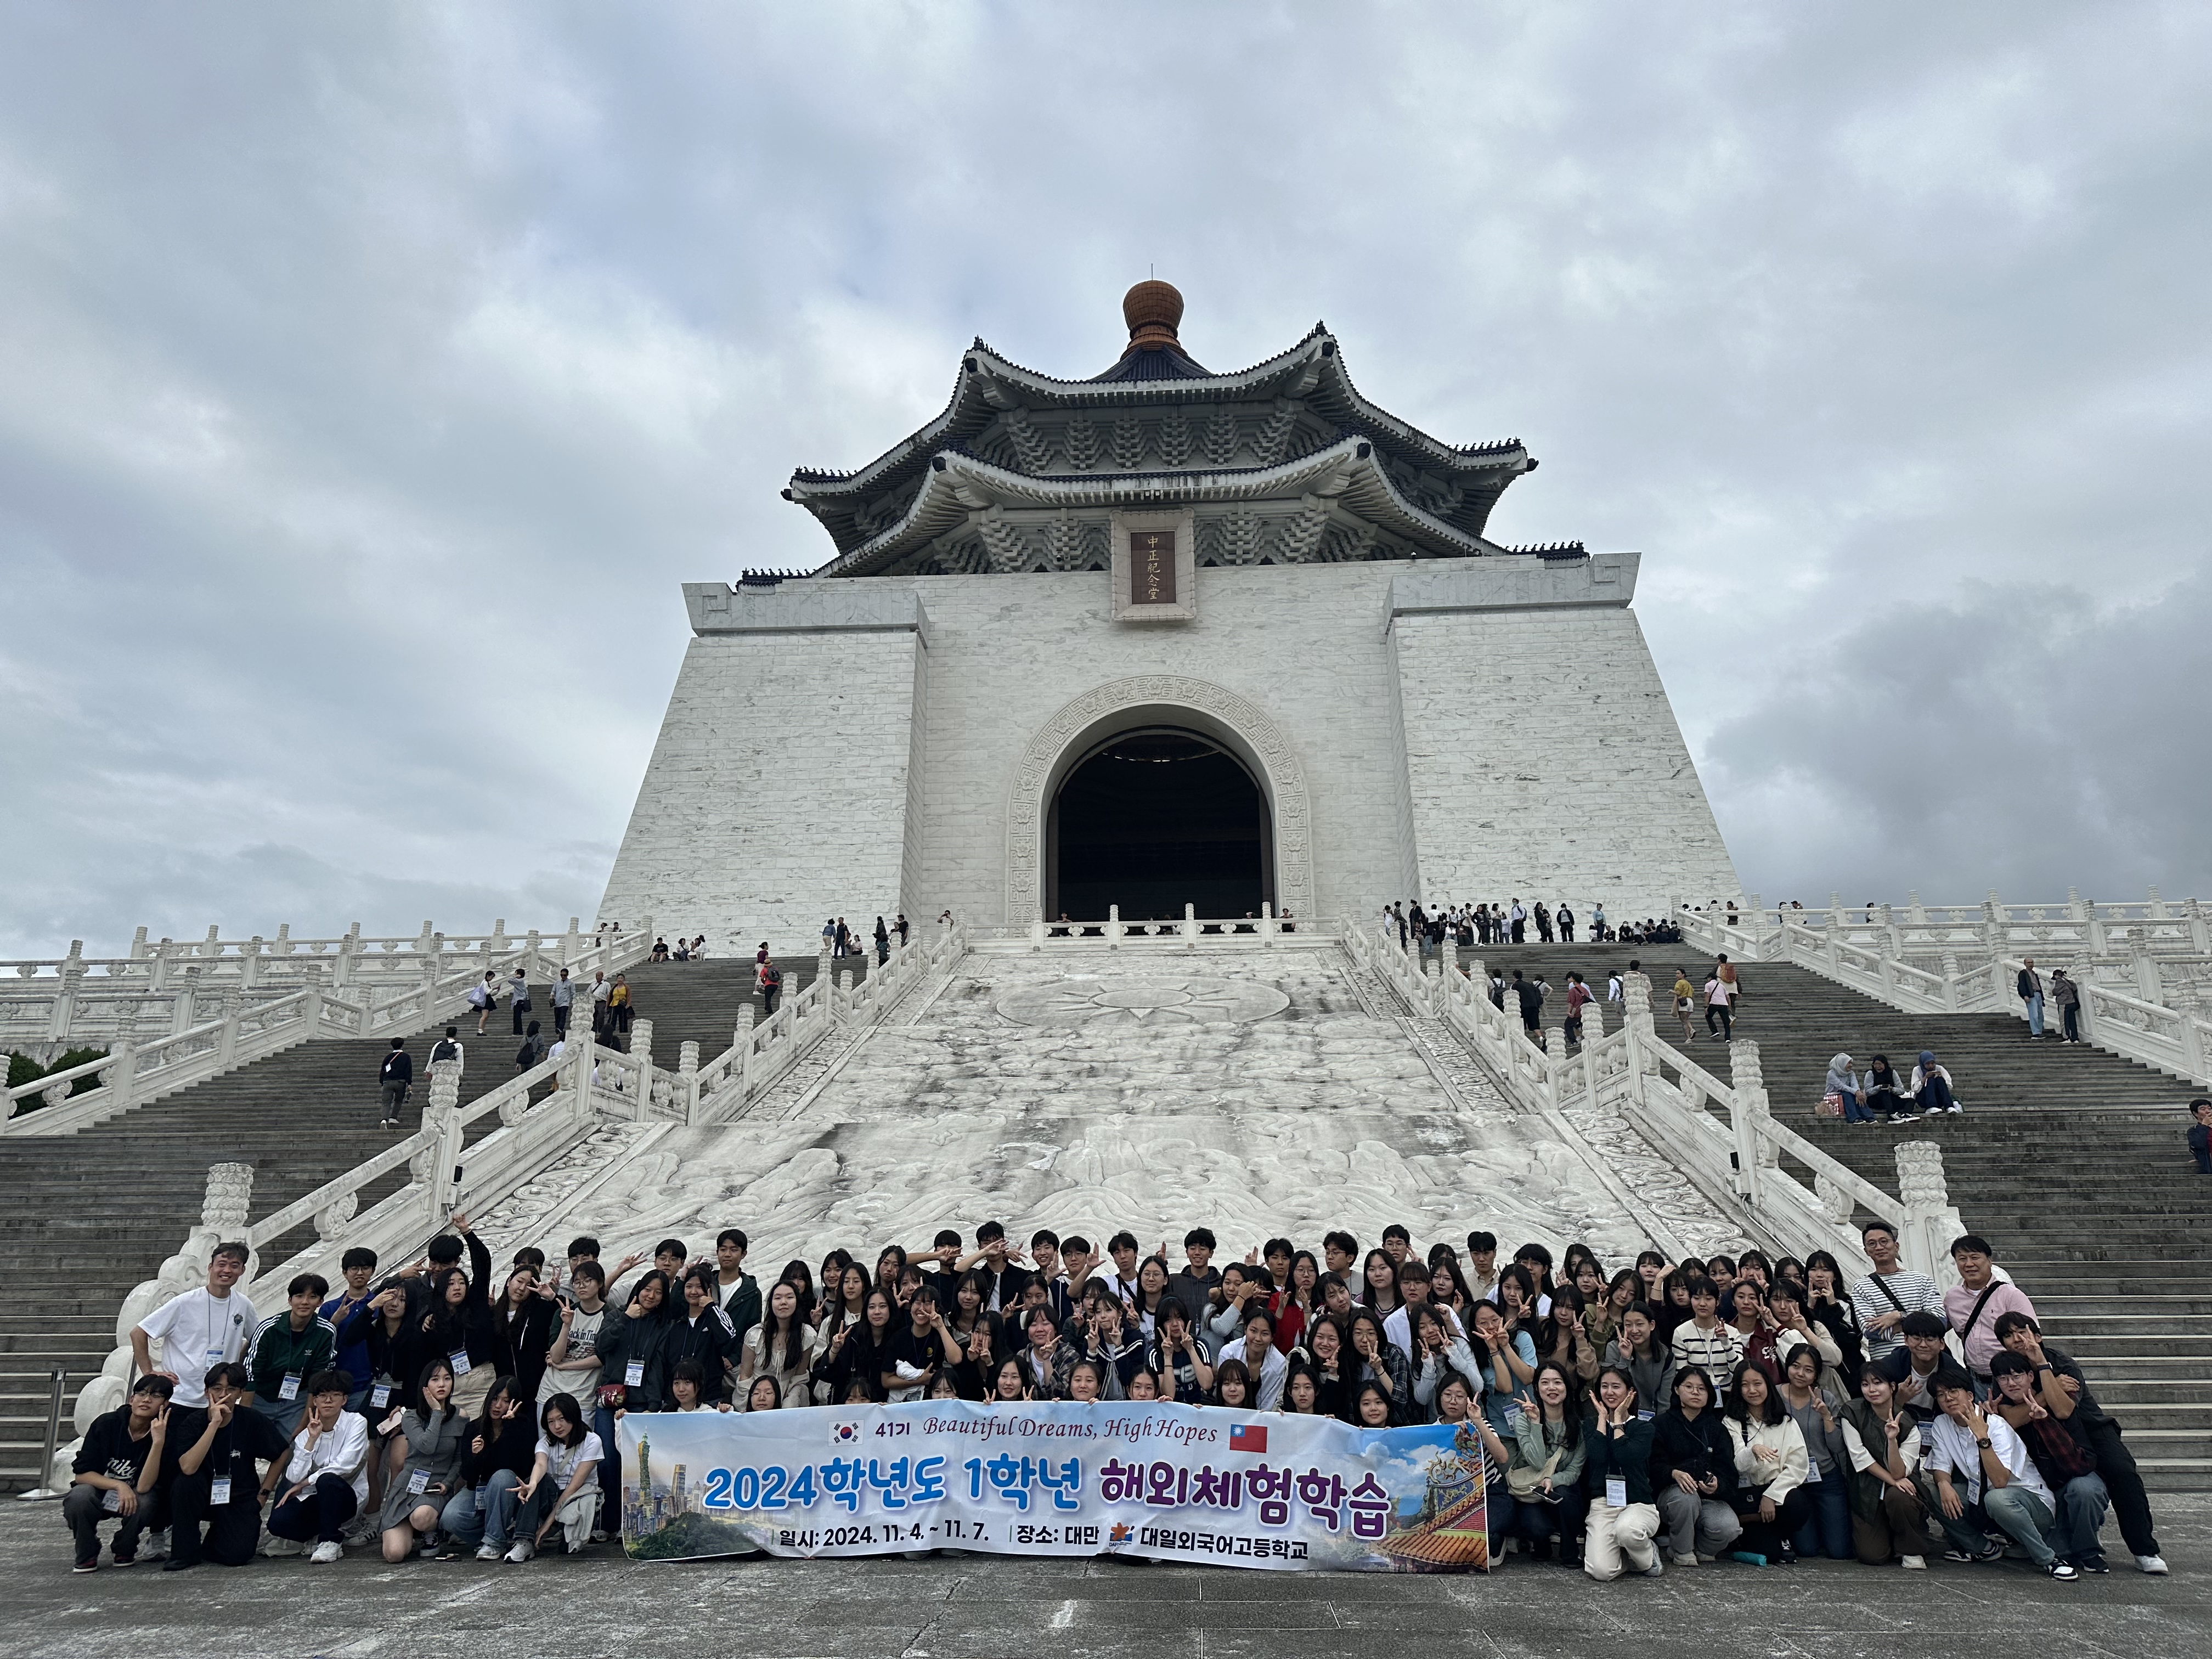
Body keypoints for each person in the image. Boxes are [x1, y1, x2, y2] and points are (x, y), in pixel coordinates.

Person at [1993, 1312, 2165, 1573]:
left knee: (2123, 1474)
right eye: (2008, 1335)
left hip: (2091, 1428)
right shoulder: (2008, 1371)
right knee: (2059, 1485)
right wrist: (2049, 1390)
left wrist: (2043, 1367)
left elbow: (2064, 1411)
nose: (2017, 1339)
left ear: (2037, 1336)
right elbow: (2013, 1419)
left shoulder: (2063, 1364)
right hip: (2047, 1435)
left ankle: (2145, 1551)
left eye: (2022, 1332)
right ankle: (2064, 1541)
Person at [1924, 1370, 2078, 1578]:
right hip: (1984, 1501)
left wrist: (1982, 1437)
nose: (1948, 1398)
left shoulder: (1996, 1425)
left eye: (1953, 1391)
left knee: (1997, 1498)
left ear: (1970, 1395)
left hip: (2031, 1505)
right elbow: (1941, 1464)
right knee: (1933, 1491)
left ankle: (2049, 1559)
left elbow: (2000, 1481)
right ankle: (1983, 1549)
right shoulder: (1943, 1424)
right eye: (1941, 1395)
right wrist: (1943, 1484)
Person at [1987, 1352, 2111, 1573]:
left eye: (2017, 1376)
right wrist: (1992, 1422)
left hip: (2071, 1477)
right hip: (2037, 1488)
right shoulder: (2001, 1413)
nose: (2011, 1383)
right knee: (2059, 1550)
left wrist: (2045, 1423)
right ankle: (2042, 1543)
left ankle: (2088, 1551)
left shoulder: (2056, 1403)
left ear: (2030, 1377)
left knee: (2085, 1490)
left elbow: (2077, 1464)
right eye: (2003, 1379)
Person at [162, 1362, 290, 1571]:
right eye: (217, 1389)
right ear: (206, 1392)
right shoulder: (193, 1422)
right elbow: (188, 1467)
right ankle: (185, 1551)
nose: (224, 1395)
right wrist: (214, 1424)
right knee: (184, 1484)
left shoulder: (251, 1420)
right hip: (201, 1493)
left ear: (240, 1392)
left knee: (237, 1555)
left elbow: (281, 1452)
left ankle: (214, 1541)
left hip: (238, 1495)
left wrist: (263, 1494)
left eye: (231, 1389)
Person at [65, 1374, 173, 1572]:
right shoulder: (107, 1424)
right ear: (132, 1399)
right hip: (100, 1490)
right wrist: (119, 1485)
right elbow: (81, 1475)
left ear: (164, 1405)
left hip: (136, 1495)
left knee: (147, 1500)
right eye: (141, 1394)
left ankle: (125, 1548)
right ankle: (87, 1552)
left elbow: (144, 1487)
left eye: (156, 1396)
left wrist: (158, 1442)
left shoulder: (165, 1433)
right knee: (79, 1496)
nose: (146, 1400)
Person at [132, 1242, 258, 1411]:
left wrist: (238, 1365)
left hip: (220, 1399)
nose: (227, 1270)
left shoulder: (244, 1304)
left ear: (242, 1270)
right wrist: (149, 1372)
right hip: (179, 1396)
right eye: (222, 1264)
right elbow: (138, 1332)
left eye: (234, 1266)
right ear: (210, 1267)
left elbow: (256, 1339)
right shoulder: (184, 1302)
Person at [262, 1370, 369, 1563]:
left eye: (335, 1395)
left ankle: (331, 1541)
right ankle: (317, 1535)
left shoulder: (356, 1422)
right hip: (315, 1499)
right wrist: (311, 1441)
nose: (328, 1401)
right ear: (315, 1401)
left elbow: (346, 1464)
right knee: (277, 1523)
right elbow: (293, 1476)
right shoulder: (306, 1434)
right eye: (322, 1396)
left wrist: (306, 1482)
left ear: (344, 1400)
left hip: (348, 1497)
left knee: (327, 1480)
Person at [1839, 1367, 1932, 1568]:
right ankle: (1889, 1535)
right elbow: (1860, 1458)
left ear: (1892, 1387)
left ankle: (1911, 1548)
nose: (1872, 1390)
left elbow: (1900, 1473)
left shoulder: (1909, 1424)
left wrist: (1892, 1440)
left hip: (1901, 1487)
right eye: (1865, 1384)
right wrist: (1892, 1481)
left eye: (1878, 1383)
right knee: (1872, 1556)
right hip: (1867, 1486)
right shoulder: (1852, 1412)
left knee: (1899, 1496)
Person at [377, 1358, 468, 1561]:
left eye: (447, 1379)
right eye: (435, 1379)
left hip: (436, 1490)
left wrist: (447, 1483)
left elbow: (459, 1460)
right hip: (407, 1488)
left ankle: (431, 1531)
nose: (442, 1384)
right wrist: (436, 1412)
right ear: (425, 1385)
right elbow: (427, 1446)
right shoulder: (411, 1416)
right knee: (394, 1555)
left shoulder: (460, 1416)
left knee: (421, 1518)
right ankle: (408, 1530)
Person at [1650, 1366, 1740, 1566]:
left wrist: (1717, 1485)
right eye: (1689, 1387)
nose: (1695, 1392)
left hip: (1708, 1498)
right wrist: (1673, 1473)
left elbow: (1728, 1472)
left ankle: (1703, 1547)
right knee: (1686, 1498)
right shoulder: (1661, 1424)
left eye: (1701, 1389)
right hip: (1673, 1495)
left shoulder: (1717, 1429)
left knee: (1729, 1527)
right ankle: (1681, 1551)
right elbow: (1652, 1465)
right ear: (1677, 1390)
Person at [441, 1375, 537, 1560]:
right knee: (450, 1517)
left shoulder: (522, 1426)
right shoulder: (473, 1428)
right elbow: (468, 1475)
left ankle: (495, 1543)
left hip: (511, 1491)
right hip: (479, 1488)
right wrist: (476, 1456)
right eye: (495, 1398)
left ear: (515, 1403)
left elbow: (521, 1467)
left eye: (506, 1401)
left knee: (502, 1477)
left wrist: (510, 1427)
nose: (498, 1405)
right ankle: (490, 1538)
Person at [1581, 1367, 1663, 1580]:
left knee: (1627, 1530)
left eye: (1616, 1387)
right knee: (1601, 1571)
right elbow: (1598, 1455)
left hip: (1637, 1503)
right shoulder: (1591, 1425)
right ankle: (1625, 1557)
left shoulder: (1644, 1428)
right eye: (1605, 1386)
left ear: (1630, 1392)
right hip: (1603, 1505)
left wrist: (1618, 1421)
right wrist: (1602, 1418)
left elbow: (1625, 1455)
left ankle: (1648, 1557)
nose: (1610, 1392)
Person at [1722, 1364, 1809, 1564]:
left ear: (1768, 1385)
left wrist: (1771, 1495)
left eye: (1757, 1383)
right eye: (1745, 1385)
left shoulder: (1785, 1422)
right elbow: (1737, 1465)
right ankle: (1747, 1528)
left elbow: (1798, 1466)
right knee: (1770, 1555)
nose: (1752, 1390)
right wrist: (1753, 1450)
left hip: (1777, 1493)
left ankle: (1782, 1534)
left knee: (1798, 1503)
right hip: (1748, 1496)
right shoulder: (1731, 1422)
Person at [1503, 1362, 1589, 1561]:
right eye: (1545, 1383)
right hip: (1530, 1490)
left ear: (1567, 1387)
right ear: (1536, 1388)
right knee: (1538, 1529)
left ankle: (1570, 1552)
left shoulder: (1579, 1426)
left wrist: (1552, 1480)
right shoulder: (1523, 1420)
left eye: (1558, 1382)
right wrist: (1536, 1422)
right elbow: (1537, 1463)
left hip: (1560, 1491)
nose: (1552, 1388)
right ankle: (1540, 1545)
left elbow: (1574, 1471)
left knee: (1568, 1493)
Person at [1778, 1346, 1853, 1560]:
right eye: (1796, 1366)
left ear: (1817, 1374)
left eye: (1809, 1370)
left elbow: (1837, 1446)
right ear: (1787, 1366)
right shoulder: (1775, 1395)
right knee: (1806, 1550)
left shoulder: (1826, 1398)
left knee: (1839, 1551)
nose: (1801, 1374)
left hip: (1827, 1478)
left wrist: (1827, 1416)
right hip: (1792, 1480)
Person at [510, 1393, 603, 1560]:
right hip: (552, 1496)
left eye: (562, 1419)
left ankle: (560, 1530)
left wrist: (548, 1523)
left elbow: (574, 1486)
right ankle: (524, 1541)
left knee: (567, 1549)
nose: (557, 1426)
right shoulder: (545, 1442)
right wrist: (532, 1484)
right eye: (551, 1421)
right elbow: (540, 1464)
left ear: (573, 1416)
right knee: (537, 1482)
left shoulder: (592, 1441)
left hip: (577, 1499)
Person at [246, 1274, 337, 1438]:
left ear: (320, 1302)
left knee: (294, 1445)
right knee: (249, 1443)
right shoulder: (268, 1329)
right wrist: (243, 1417)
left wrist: (303, 1425)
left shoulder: (326, 1332)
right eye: (299, 1296)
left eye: (312, 1297)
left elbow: (317, 1379)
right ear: (290, 1300)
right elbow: (251, 1374)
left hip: (298, 1399)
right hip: (262, 1397)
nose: (305, 1302)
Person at [1943, 1233, 2034, 1388]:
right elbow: (1937, 1328)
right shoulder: (1952, 1298)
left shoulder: (2011, 1295)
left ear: (1990, 1260)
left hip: (2011, 1379)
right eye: (1962, 1259)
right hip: (1975, 1380)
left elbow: (2031, 1336)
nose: (1969, 1264)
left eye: (1975, 1257)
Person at [1849, 1220, 1943, 1365]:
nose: (1879, 1247)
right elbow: (1870, 1331)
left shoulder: (1921, 1280)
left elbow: (1940, 1319)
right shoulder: (1861, 1286)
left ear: (1896, 1246)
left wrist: (1899, 1316)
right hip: (1886, 1363)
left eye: (1884, 1241)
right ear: (1866, 1251)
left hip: (1925, 1360)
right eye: (1872, 1244)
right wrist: (1917, 1323)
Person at [1860, 1054, 1912, 1122]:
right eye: (1876, 1064)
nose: (1878, 1067)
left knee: (1911, 1101)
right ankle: (1891, 1116)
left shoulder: (1892, 1073)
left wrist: (1892, 1089)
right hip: (1876, 1101)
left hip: (1892, 1100)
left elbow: (1902, 1091)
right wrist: (1879, 1088)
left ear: (1885, 1064)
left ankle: (1906, 1114)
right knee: (1884, 1092)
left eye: (1880, 1064)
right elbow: (1868, 1092)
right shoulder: (1870, 1073)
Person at [378, 1037, 413, 1128]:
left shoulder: (388, 1057)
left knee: (386, 1102)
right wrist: (409, 1083)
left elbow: (383, 1071)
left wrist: (382, 1082)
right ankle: (393, 1117)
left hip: (387, 1082)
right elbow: (408, 1071)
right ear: (402, 1045)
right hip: (400, 1082)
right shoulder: (406, 1057)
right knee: (398, 1100)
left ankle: (384, 1120)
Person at [1912, 1049, 1961, 1114]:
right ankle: (1931, 1106)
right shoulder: (1917, 1070)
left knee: (1939, 1080)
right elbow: (1915, 1089)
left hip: (1939, 1098)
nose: (1931, 1066)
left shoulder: (1939, 1068)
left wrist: (1941, 1078)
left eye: (1932, 1063)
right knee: (1930, 1080)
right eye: (1928, 1064)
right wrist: (1925, 1078)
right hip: (1923, 1099)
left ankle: (1949, 1106)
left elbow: (1949, 1086)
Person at [2017, 957, 2046, 1038]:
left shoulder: (2034, 974)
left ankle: (2040, 1031)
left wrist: (2042, 998)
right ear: (2025, 964)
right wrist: (2025, 995)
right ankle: (2036, 1032)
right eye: (2028, 962)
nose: (2030, 964)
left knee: (2041, 1015)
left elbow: (2038, 985)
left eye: (2032, 962)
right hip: (2031, 995)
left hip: (2038, 994)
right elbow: (2021, 985)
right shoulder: (2023, 974)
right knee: (2034, 1015)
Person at [1703, 969, 1734, 1041]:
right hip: (1724, 1004)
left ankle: (1715, 1031)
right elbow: (1728, 997)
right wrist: (1729, 1007)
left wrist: (1706, 1006)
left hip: (1714, 1003)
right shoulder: (1721, 985)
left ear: (1710, 978)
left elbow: (1707, 995)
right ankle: (1728, 1038)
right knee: (1726, 1022)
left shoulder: (1708, 985)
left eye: (1707, 978)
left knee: (1708, 1016)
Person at [470, 970, 498, 1036]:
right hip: (485, 1000)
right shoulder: (485, 983)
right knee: (485, 1016)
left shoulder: (486, 983)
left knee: (486, 1016)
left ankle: (481, 1030)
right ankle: (480, 1031)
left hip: (487, 1000)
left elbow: (490, 993)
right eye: (491, 977)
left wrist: (496, 990)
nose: (492, 979)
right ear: (488, 976)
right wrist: (493, 989)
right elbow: (486, 992)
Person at [2189, 1099, 2212, 1174]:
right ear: (2196, 1114)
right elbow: (2199, 1144)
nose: (2208, 1111)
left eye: (2209, 1108)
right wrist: (2204, 1126)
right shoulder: (2194, 1131)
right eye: (2203, 1109)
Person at [508, 966, 532, 1035]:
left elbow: (509, 980)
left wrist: (515, 977)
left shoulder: (519, 981)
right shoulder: (521, 982)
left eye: (516, 973)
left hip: (519, 1001)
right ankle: (519, 1031)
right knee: (517, 1017)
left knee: (517, 1017)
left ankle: (517, 1032)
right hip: (520, 1000)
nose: (515, 974)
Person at [551, 969, 573, 1039]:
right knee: (557, 1017)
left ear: (567, 975)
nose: (563, 976)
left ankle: (560, 1028)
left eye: (564, 975)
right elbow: (553, 991)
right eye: (562, 975)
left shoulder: (571, 983)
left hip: (565, 1003)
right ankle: (557, 1028)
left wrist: (571, 1000)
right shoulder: (557, 982)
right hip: (557, 1003)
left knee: (563, 1016)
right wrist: (551, 996)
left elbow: (573, 993)